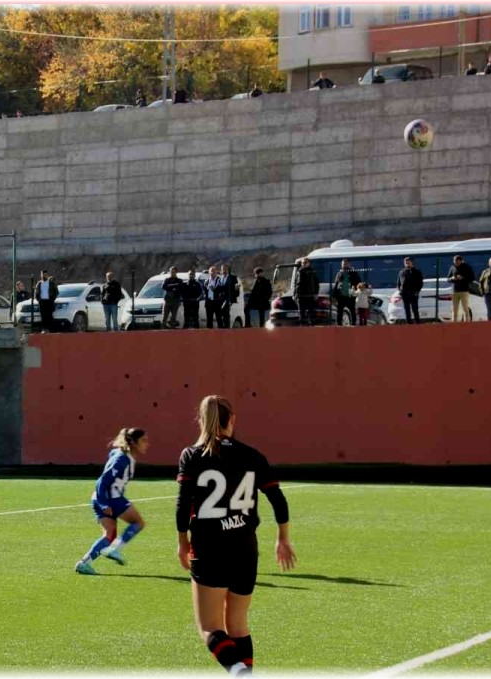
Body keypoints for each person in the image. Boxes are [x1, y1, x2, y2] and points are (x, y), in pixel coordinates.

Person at [175, 396, 295, 678]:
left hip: (210, 549)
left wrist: (182, 542)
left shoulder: (192, 456)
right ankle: (246, 673)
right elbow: (279, 501)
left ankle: (239, 671)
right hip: (245, 548)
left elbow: (182, 506)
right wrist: (283, 539)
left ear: (202, 421)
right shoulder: (252, 455)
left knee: (210, 628)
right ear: (232, 420)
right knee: (239, 625)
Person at [75, 427, 149, 575]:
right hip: (111, 499)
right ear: (134, 443)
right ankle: (114, 549)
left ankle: (84, 563)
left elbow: (111, 455)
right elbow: (101, 482)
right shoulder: (123, 460)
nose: (147, 443)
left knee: (109, 535)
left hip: (99, 498)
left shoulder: (119, 454)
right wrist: (104, 503)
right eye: (143, 440)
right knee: (138, 523)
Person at [331, 259, 361, 325]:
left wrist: (356, 291)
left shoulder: (353, 273)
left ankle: (353, 324)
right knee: (339, 311)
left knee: (352, 310)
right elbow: (336, 284)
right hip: (341, 296)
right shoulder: (339, 273)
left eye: (346, 263)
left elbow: (359, 283)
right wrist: (334, 296)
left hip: (350, 296)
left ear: (349, 264)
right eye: (343, 264)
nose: (344, 265)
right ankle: (339, 325)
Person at [447, 255, 475, 322]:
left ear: (460, 261)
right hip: (455, 291)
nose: (456, 263)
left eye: (457, 261)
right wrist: (452, 278)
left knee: (465, 308)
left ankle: (466, 322)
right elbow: (448, 278)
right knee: (454, 308)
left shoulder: (467, 267)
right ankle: (454, 323)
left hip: (464, 290)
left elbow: (472, 278)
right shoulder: (452, 268)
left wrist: (463, 278)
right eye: (454, 261)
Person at [397, 257, 424, 324]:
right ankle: (409, 323)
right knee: (407, 309)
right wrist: (400, 291)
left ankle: (417, 322)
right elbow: (399, 283)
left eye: (408, 262)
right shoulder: (401, 272)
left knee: (415, 309)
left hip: (413, 293)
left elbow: (420, 282)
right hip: (405, 294)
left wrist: (417, 291)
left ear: (412, 262)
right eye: (406, 263)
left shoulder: (416, 271)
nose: (407, 264)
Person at [294, 259, 319, 326]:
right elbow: (296, 284)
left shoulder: (312, 271)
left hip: (310, 295)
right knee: (301, 313)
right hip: (301, 295)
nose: (303, 264)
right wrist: (295, 294)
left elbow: (316, 283)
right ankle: (303, 328)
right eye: (302, 263)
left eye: (305, 262)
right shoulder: (299, 271)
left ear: (309, 263)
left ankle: (311, 327)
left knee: (311, 313)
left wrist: (316, 293)